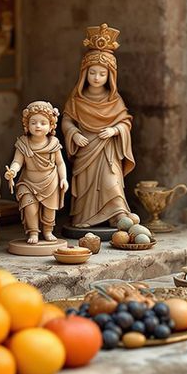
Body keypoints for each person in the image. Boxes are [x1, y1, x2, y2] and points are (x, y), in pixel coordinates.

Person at [62, 24, 134, 228]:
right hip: (85, 148)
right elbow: (66, 120)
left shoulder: (115, 99)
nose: (96, 77)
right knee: (86, 185)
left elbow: (125, 121)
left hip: (107, 149)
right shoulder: (77, 99)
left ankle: (117, 214)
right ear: (84, 73)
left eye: (102, 74)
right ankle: (85, 217)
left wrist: (114, 130)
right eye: (92, 72)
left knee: (112, 182)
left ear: (110, 76)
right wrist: (74, 133)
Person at [5, 101, 67, 244]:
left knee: (49, 209)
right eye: (33, 122)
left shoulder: (53, 143)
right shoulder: (23, 143)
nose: (38, 126)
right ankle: (33, 232)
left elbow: (60, 163)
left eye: (43, 123)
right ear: (27, 125)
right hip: (28, 182)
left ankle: (47, 231)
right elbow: (17, 161)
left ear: (51, 125)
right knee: (30, 208)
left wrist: (63, 178)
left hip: (50, 180)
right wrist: (13, 171)